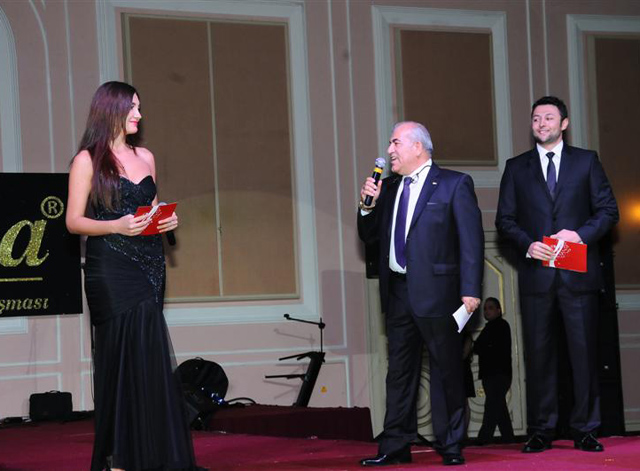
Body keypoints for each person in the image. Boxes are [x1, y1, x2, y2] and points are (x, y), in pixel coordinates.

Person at [66, 81, 203, 471]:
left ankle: (148, 455)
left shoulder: (146, 156)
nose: (139, 115)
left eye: (139, 108)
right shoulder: (87, 161)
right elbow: (73, 221)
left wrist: (165, 221)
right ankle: (119, 456)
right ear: (111, 110)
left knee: (147, 356)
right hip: (111, 268)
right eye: (133, 108)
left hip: (149, 264)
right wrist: (116, 226)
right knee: (121, 356)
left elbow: (151, 208)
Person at [496, 96, 619, 453]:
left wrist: (578, 235)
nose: (541, 123)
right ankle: (540, 430)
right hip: (537, 276)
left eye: (549, 118)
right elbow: (505, 220)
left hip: (577, 274)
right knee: (539, 358)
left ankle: (586, 429)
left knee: (584, 356)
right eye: (536, 118)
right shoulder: (516, 168)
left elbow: (608, 211)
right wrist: (527, 244)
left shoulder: (586, 161)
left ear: (564, 124)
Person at [357, 121, 484, 466]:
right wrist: (368, 206)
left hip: (440, 294)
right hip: (398, 292)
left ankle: (451, 444)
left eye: (395, 143)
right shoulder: (388, 188)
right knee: (399, 372)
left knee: (447, 371)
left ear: (418, 147)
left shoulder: (454, 183)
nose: (389, 150)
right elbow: (370, 236)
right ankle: (395, 445)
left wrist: (470, 290)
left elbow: (471, 241)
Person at [473, 297, 515, 444]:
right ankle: (508, 438)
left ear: (498, 310)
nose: (486, 311)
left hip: (498, 374)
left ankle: (484, 439)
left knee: (492, 406)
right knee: (499, 406)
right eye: (485, 308)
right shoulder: (489, 328)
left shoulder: (501, 326)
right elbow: (479, 347)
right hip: (491, 374)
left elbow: (484, 347)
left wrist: (483, 347)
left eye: (490, 308)